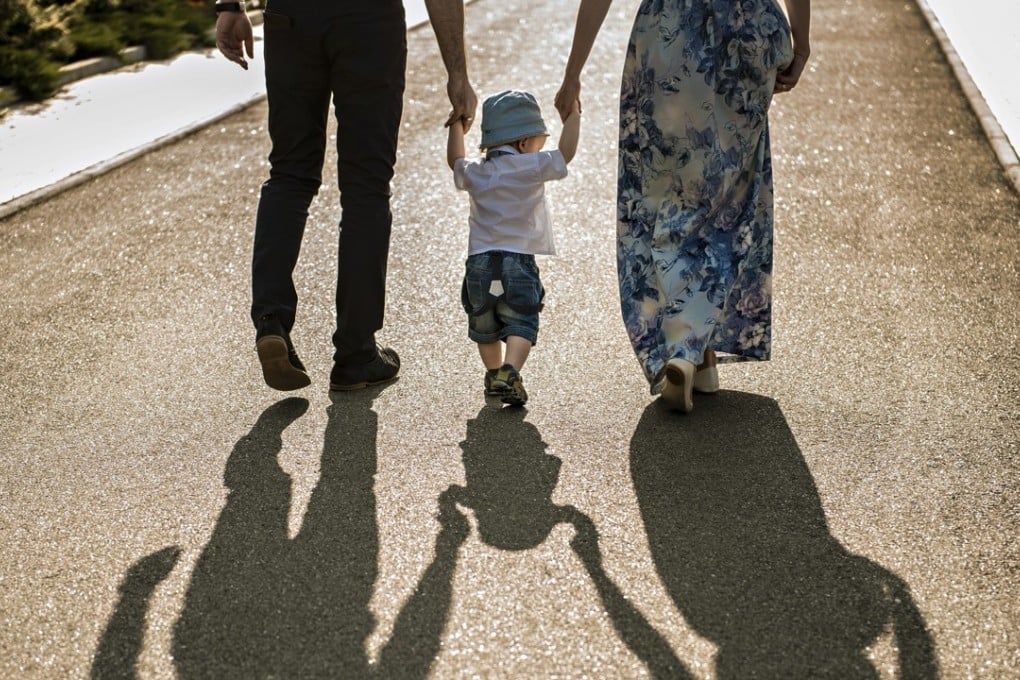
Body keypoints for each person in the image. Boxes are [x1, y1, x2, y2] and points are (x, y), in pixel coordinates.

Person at [555, 0, 811, 412]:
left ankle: (683, 345)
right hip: (747, 30)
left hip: (669, 33)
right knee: (731, 192)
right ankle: (701, 355)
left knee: (669, 192)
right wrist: (802, 42)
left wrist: (573, 73)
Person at [214, 0, 477, 391]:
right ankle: (356, 352)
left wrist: (231, 6)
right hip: (369, 22)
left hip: (291, 17)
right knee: (366, 186)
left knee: (289, 174)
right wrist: (458, 73)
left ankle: (271, 320)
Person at [447, 90, 580, 406]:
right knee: (522, 319)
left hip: (479, 264)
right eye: (537, 144)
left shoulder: (477, 171)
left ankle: (494, 374)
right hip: (517, 262)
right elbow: (566, 153)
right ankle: (510, 370)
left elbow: (455, 161)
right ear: (523, 144)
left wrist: (456, 124)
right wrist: (573, 115)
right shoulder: (529, 166)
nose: (540, 151)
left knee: (485, 324)